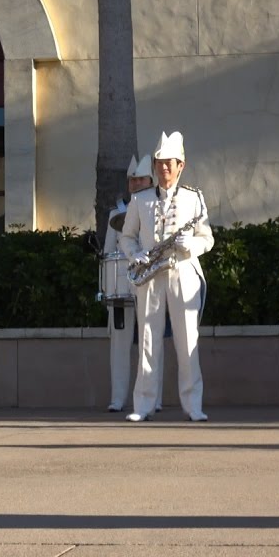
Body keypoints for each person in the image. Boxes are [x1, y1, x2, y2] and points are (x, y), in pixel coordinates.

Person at [119, 131, 214, 422]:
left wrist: (193, 246)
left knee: (187, 341)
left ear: (181, 165)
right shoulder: (140, 200)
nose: (163, 168)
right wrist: (134, 255)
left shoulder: (193, 198)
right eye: (159, 163)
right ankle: (143, 406)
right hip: (150, 276)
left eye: (169, 163)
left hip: (183, 273)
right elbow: (127, 237)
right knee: (148, 340)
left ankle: (193, 406)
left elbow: (207, 238)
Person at [102, 155, 163, 413]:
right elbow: (107, 253)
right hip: (122, 285)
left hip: (151, 283)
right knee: (119, 345)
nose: (137, 184)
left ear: (151, 181)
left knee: (152, 342)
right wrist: (107, 290)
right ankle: (118, 399)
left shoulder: (160, 208)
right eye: (133, 180)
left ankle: (154, 399)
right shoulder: (117, 213)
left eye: (142, 179)